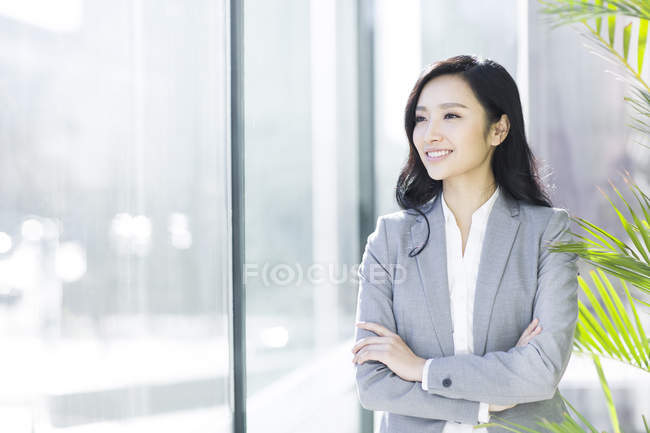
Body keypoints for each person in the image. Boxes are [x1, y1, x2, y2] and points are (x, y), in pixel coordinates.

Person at [350, 54, 579, 433]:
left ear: (498, 130)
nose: (430, 133)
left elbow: (540, 371)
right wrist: (490, 401)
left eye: (450, 116)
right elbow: (373, 386)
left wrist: (420, 369)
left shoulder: (548, 232)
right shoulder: (389, 239)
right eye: (421, 119)